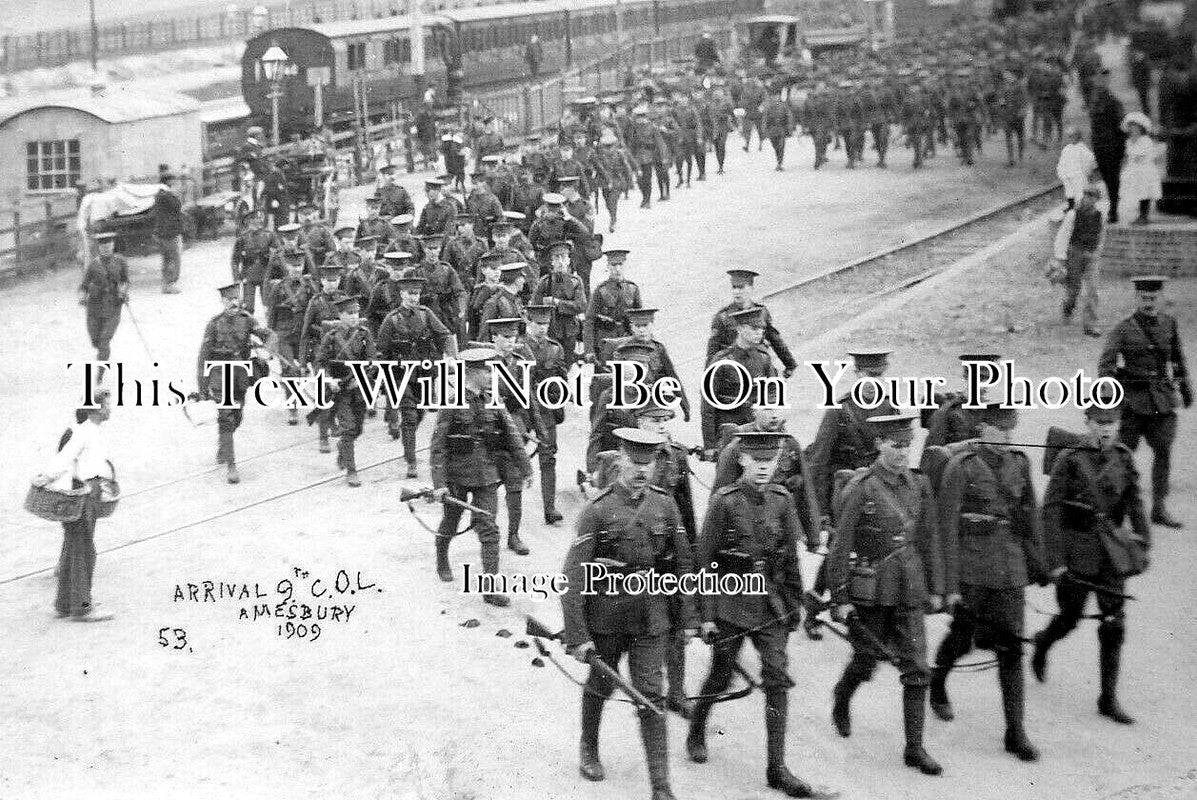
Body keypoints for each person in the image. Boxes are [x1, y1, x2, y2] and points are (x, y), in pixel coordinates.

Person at [560, 427, 697, 800]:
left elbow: (683, 564)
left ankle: (661, 787)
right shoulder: (597, 510)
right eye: (634, 462)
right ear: (619, 460)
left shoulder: (665, 505)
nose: (641, 470)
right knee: (601, 684)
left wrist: (688, 618)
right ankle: (589, 746)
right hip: (607, 618)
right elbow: (573, 576)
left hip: (652, 619)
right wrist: (578, 636)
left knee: (652, 697)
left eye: (647, 463)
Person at [688, 430, 812, 797]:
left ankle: (777, 768)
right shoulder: (724, 502)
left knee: (777, 677)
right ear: (742, 460)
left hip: (770, 605)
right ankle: (697, 729)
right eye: (756, 461)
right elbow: (704, 562)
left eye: (769, 461)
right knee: (721, 674)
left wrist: (794, 604)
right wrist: (706, 616)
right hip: (730, 603)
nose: (763, 468)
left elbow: (790, 559)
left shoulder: (782, 500)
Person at [827, 413, 945, 776]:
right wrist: (840, 597)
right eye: (896, 445)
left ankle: (915, 748)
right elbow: (840, 545)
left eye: (908, 445)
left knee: (917, 668)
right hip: (873, 589)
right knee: (866, 660)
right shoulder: (863, 487)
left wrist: (937, 587)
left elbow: (929, 537)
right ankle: (842, 696)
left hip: (909, 586)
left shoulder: (919, 483)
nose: (903, 452)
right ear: (879, 444)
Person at [930, 404, 1045, 762]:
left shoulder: (1020, 463)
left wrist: (1040, 562)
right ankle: (938, 682)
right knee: (961, 639)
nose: (1006, 436)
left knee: (1012, 648)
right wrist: (948, 586)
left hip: (1009, 568)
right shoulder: (961, 467)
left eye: (1010, 429)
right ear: (981, 428)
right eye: (999, 428)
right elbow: (946, 528)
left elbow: (1030, 514)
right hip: (972, 569)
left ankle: (1015, 731)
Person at [1033, 400, 1151, 724]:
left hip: (1111, 553)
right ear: (1088, 423)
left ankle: (1108, 698)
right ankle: (1043, 643)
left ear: (1119, 424)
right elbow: (1050, 511)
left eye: (1111, 423)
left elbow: (1135, 503)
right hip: (1076, 552)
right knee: (1070, 617)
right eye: (1099, 422)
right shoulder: (1070, 459)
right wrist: (1056, 561)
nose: (1105, 429)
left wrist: (1142, 540)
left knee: (1114, 624)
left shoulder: (1124, 458)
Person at [429, 346, 532, 607]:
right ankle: (442, 559)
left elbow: (512, 436)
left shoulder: (493, 400)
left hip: (486, 475)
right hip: (457, 476)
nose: (492, 376)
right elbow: (438, 446)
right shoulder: (451, 402)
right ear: (473, 373)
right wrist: (439, 484)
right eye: (488, 371)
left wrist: (526, 469)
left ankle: (490, 588)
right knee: (451, 522)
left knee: (490, 530)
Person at [1097, 275, 1192, 527]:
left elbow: (1177, 359)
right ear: (1136, 298)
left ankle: (1159, 508)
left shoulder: (1169, 324)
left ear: (1160, 298)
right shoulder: (1123, 328)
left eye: (1153, 298)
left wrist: (1185, 388)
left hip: (1162, 401)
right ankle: (1113, 510)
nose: (1148, 303)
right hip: (1133, 403)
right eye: (1144, 298)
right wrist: (1110, 399)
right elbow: (1106, 366)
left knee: (1164, 451)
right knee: (1121, 455)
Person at [33, 389, 116, 622]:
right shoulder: (85, 432)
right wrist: (46, 477)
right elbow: (64, 458)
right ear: (97, 409)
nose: (110, 409)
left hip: (89, 491)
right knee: (84, 551)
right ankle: (82, 608)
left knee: (73, 548)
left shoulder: (91, 431)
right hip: (84, 495)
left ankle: (64, 604)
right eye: (107, 405)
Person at [196, 284, 277, 484]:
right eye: (229, 300)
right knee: (226, 416)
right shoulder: (214, 324)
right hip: (219, 374)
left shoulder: (247, 320)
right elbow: (203, 356)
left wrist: (266, 352)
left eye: (235, 299)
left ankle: (224, 443)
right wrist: (202, 387)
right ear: (222, 302)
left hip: (240, 374)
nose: (233, 303)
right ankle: (231, 465)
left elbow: (270, 335)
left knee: (237, 416)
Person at [314, 297, 376, 487]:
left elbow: (372, 361)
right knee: (348, 428)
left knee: (358, 428)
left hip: (360, 388)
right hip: (340, 391)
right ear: (340, 315)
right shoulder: (331, 337)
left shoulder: (364, 334)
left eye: (356, 313)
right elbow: (320, 363)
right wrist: (329, 379)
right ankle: (351, 471)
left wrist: (361, 378)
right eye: (349, 313)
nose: (354, 317)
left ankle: (343, 446)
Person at [700, 306, 779, 456]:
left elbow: (772, 395)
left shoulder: (763, 358)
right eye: (754, 328)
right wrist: (709, 444)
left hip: (757, 428)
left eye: (762, 329)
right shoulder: (721, 360)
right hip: (730, 430)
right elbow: (707, 406)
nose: (759, 333)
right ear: (740, 329)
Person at [522, 305, 568, 524]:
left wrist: (558, 402)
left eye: (546, 324)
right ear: (528, 323)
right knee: (511, 455)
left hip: (545, 410)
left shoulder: (555, 349)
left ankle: (549, 509)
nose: (542, 328)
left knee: (548, 458)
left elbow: (562, 379)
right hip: (521, 409)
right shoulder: (519, 347)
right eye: (538, 324)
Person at [706, 269, 797, 374]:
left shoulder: (761, 312)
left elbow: (775, 339)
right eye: (734, 287)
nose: (736, 292)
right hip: (734, 370)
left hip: (759, 366)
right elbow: (712, 350)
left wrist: (789, 364)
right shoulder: (723, 317)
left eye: (741, 287)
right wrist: (708, 377)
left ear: (751, 288)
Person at [1054, 184, 1106, 337]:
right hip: (1075, 253)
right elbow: (1063, 235)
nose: (1089, 199)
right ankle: (1068, 308)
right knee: (1074, 289)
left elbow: (1101, 235)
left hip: (1091, 255)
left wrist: (1097, 252)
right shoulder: (1073, 214)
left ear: (1096, 199)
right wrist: (1061, 258)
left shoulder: (1100, 215)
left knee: (1093, 289)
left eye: (1092, 197)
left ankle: (1091, 324)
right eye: (1087, 196)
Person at [78, 232, 128, 363]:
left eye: (109, 245)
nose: (106, 248)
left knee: (104, 341)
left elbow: (125, 280)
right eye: (103, 246)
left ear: (113, 245)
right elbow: (84, 285)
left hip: (113, 307)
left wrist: (122, 292)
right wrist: (82, 297)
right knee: (95, 341)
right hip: (95, 307)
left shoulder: (120, 261)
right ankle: (101, 355)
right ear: (99, 248)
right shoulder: (93, 265)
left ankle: (101, 368)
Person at [1088, 69, 1126, 223]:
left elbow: (1121, 126)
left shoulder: (1113, 102)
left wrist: (1120, 148)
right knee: (1106, 178)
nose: (1099, 86)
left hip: (1112, 145)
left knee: (1112, 178)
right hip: (1099, 146)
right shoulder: (1093, 102)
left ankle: (1114, 209)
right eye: (1098, 82)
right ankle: (1113, 205)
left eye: (1102, 82)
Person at [1119, 112, 1162, 225]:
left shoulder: (1146, 141)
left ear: (1141, 128)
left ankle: (1144, 215)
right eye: (1131, 127)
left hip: (1145, 169)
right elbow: (1128, 156)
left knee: (1145, 192)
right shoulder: (1128, 142)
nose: (1133, 129)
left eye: (1135, 127)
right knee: (1137, 192)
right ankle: (1140, 215)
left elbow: (1148, 155)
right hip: (1133, 170)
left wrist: (1138, 157)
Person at [153, 173, 184, 294]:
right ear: (169, 182)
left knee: (167, 258)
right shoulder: (165, 195)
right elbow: (177, 205)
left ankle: (166, 284)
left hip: (164, 232)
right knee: (173, 258)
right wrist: (175, 194)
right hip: (169, 232)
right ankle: (169, 284)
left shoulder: (161, 194)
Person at [1056, 128, 1098, 209]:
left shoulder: (1082, 148)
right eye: (1069, 137)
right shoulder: (1067, 148)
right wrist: (1061, 172)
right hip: (1068, 174)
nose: (1070, 139)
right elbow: (1062, 162)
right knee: (1069, 191)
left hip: (1079, 175)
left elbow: (1090, 159)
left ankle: (1081, 208)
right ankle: (1071, 206)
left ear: (1078, 137)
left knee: (1080, 192)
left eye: (1072, 136)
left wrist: (1087, 171)